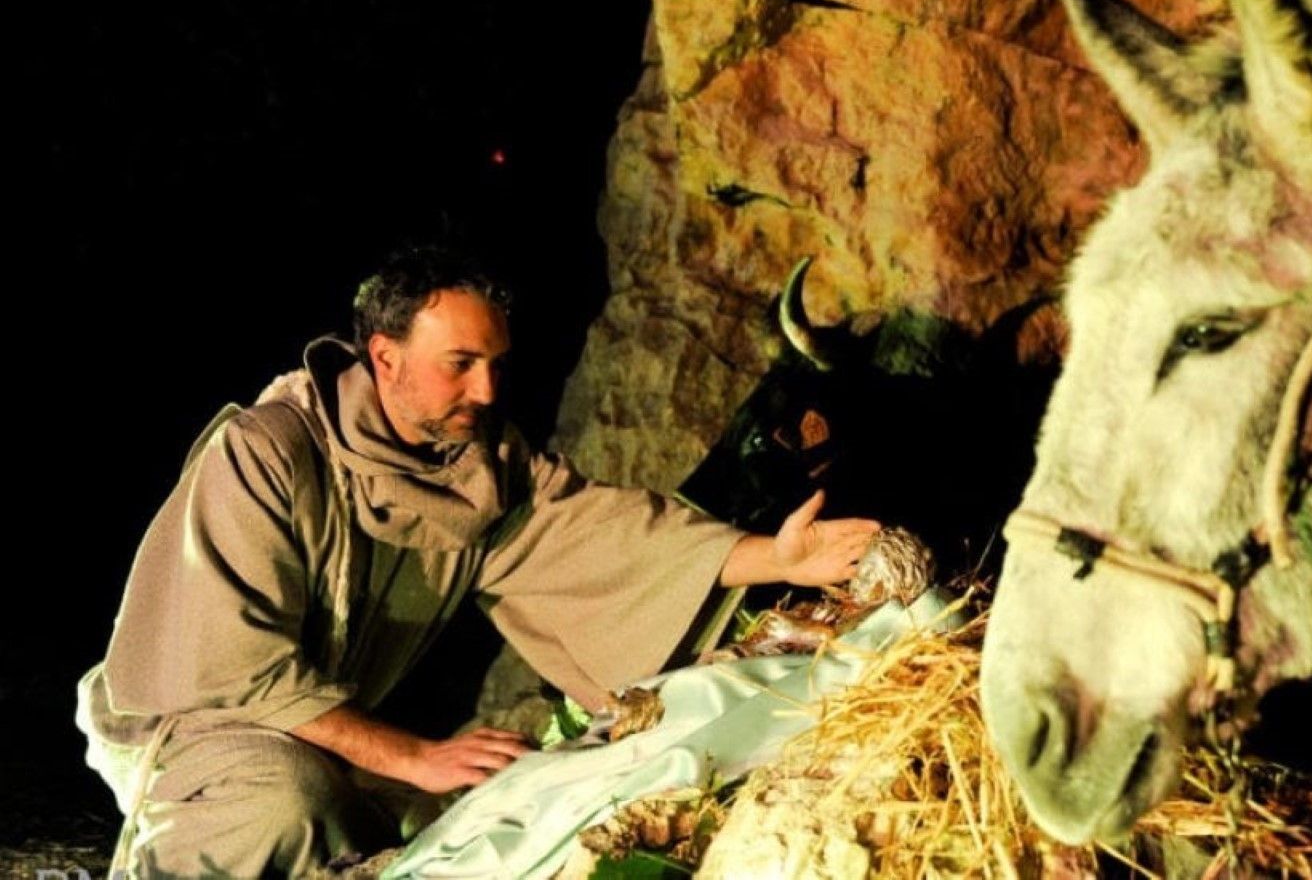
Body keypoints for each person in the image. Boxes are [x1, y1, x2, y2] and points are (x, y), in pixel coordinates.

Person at [75, 245, 880, 877]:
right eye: (460, 363)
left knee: (494, 810)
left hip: (325, 734)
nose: (489, 390)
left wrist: (771, 556)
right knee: (283, 802)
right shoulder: (266, 453)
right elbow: (232, 671)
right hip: (202, 728)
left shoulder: (479, 464)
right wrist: (415, 756)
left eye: (496, 363)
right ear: (385, 358)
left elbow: (597, 533)